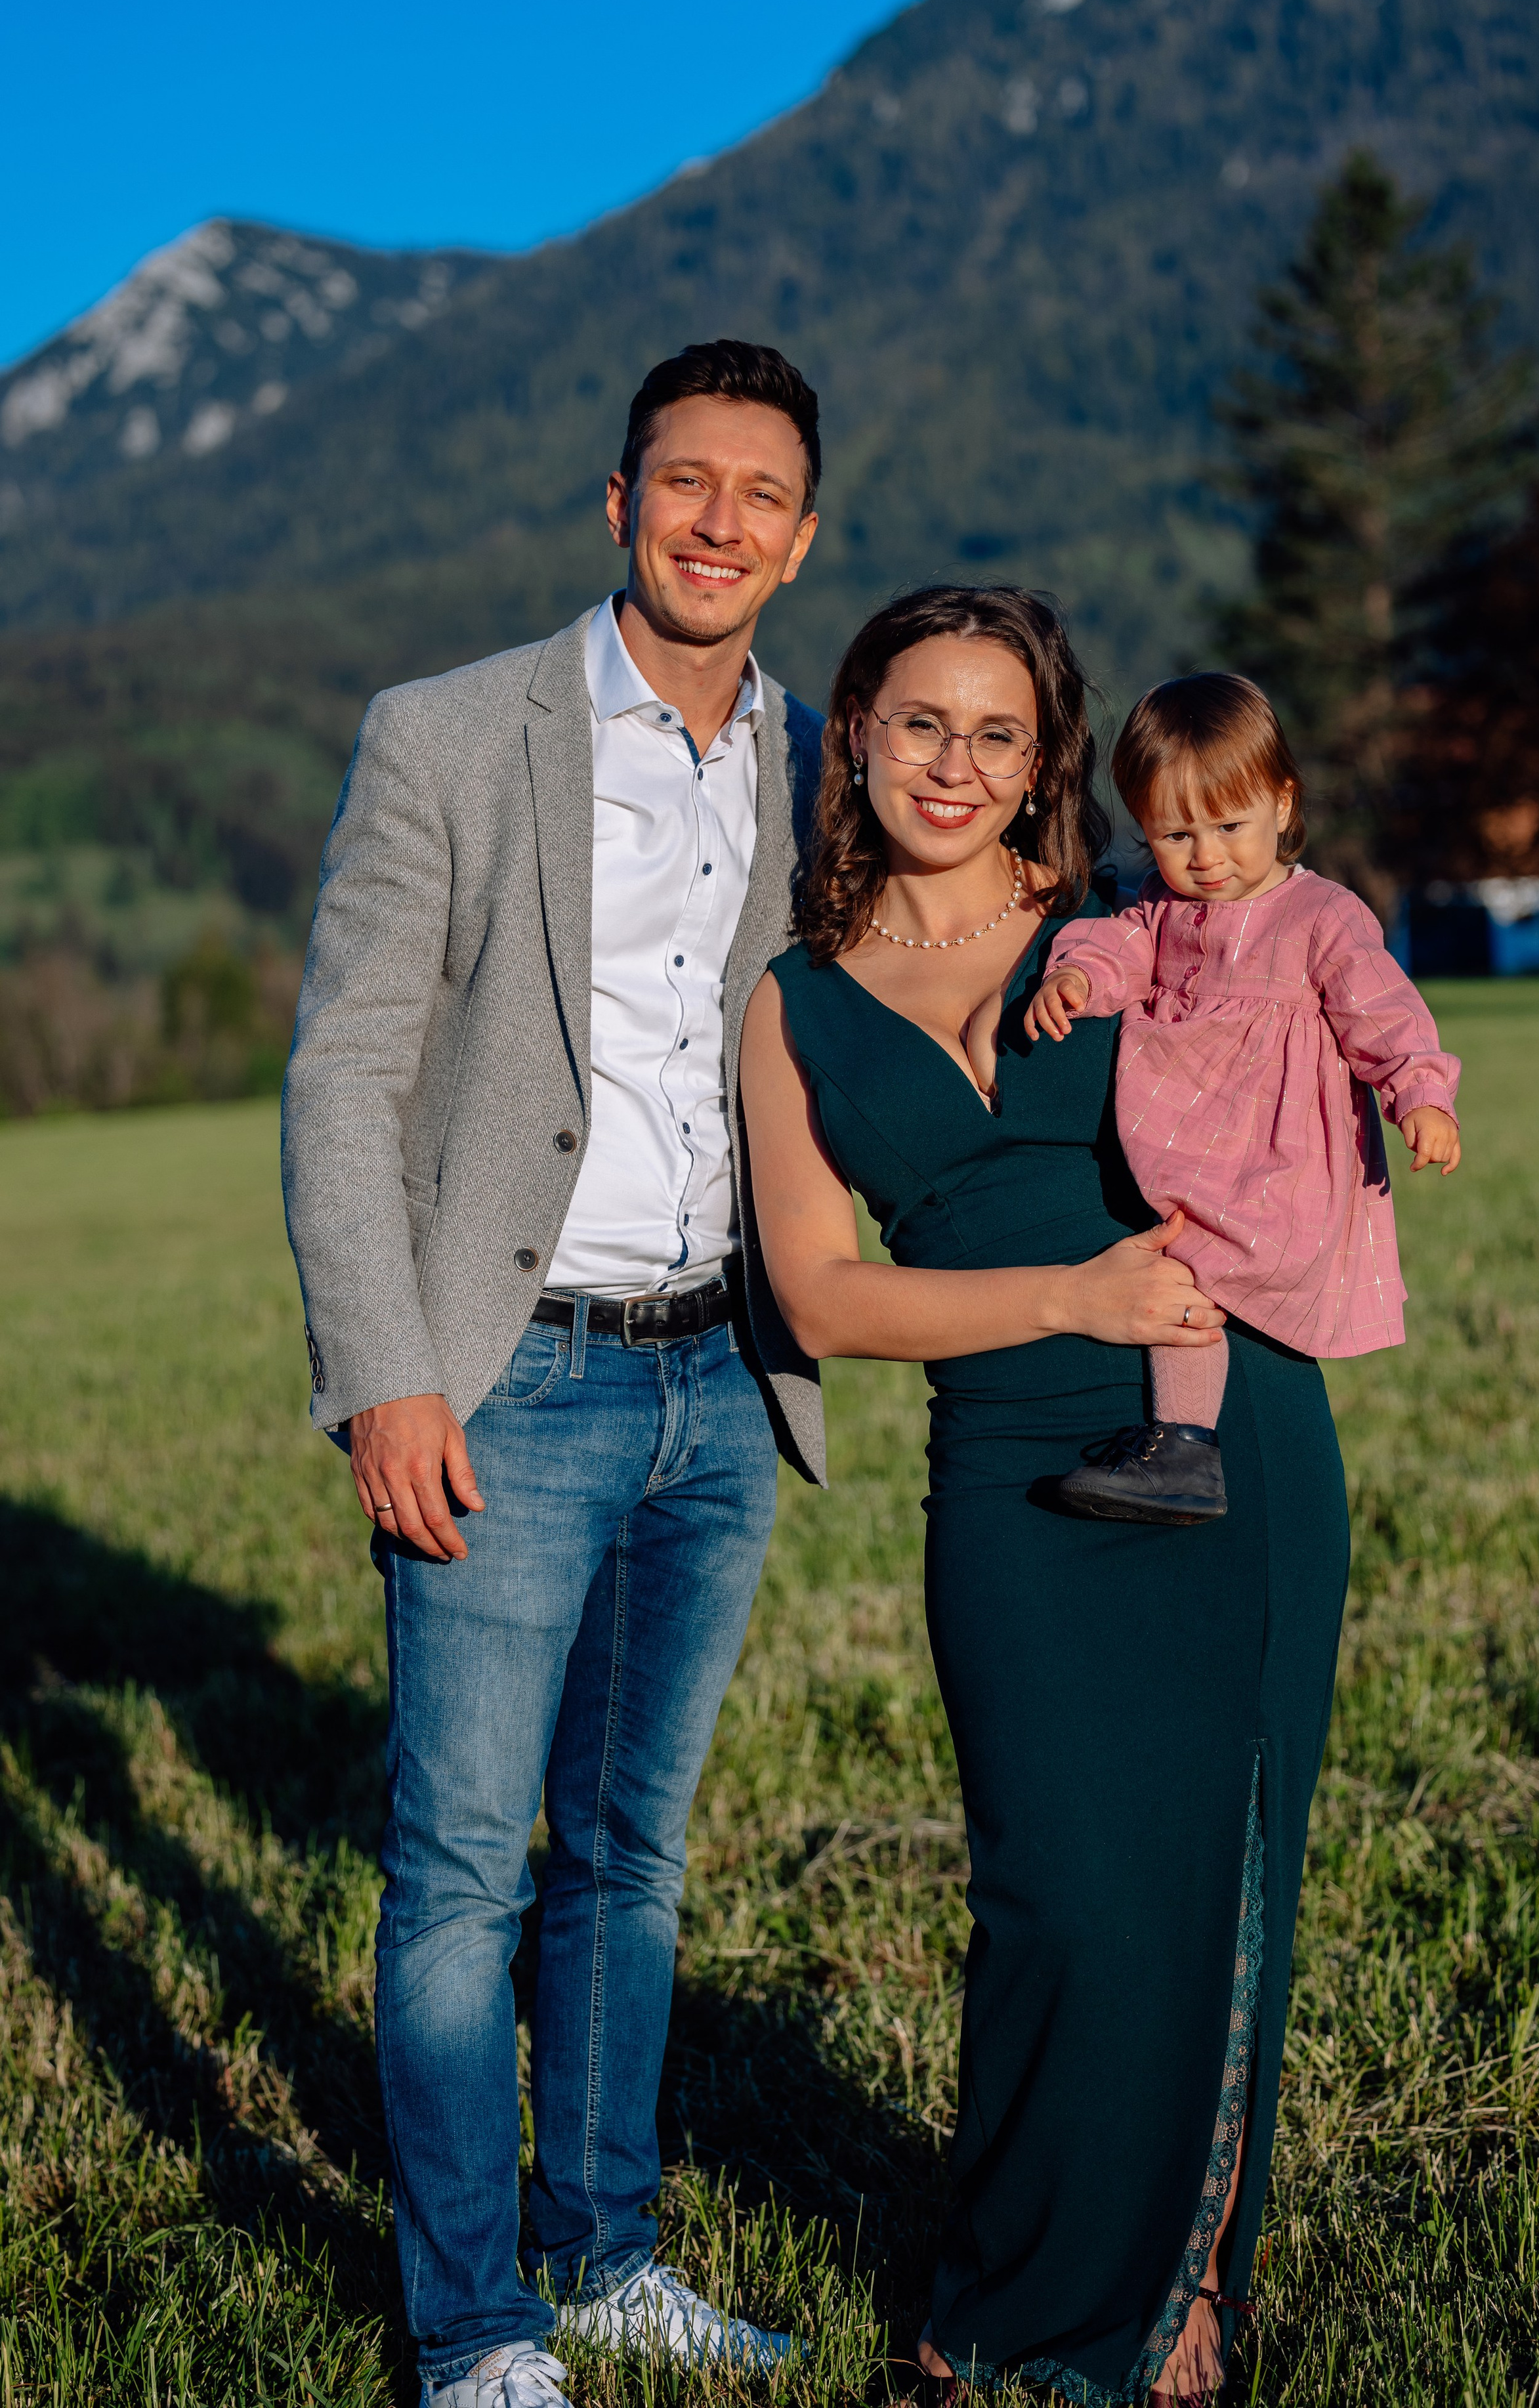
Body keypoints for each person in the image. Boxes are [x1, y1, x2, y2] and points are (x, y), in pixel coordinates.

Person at [282, 340, 828, 2408]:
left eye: (758, 493)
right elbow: (345, 1076)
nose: (717, 522)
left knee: (632, 1857)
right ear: (619, 503)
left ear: (801, 531)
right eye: (682, 482)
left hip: (723, 1390)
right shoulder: (445, 733)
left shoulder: (814, 758)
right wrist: (383, 1375)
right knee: (455, 1877)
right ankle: (474, 2325)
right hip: (504, 1386)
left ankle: (602, 2259)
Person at [739, 587, 1351, 2406]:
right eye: (920, 722)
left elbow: (1320, 1011)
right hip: (1006, 1464)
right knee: (1054, 1895)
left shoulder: (1134, 924)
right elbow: (823, 1295)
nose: (956, 762)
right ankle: (1015, 2286)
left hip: (1225, 1430)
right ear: (853, 734)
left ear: (1044, 766)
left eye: (998, 734)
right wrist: (1066, 1298)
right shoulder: (792, 1007)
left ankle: (1177, 2306)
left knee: (1214, 1873)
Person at [1025, 672, 1461, 1526]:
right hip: (1193, 1151)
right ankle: (1186, 1447)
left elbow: (1386, 1013)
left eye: (1230, 826)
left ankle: (1185, 1447)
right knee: (1172, 1267)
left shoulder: (1322, 918)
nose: (1207, 856)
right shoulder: (1164, 909)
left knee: (1182, 1269)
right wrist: (1076, 976)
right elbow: (1120, 949)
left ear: (1281, 801)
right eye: (1176, 833)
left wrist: (1420, 1094)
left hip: (1275, 1165)